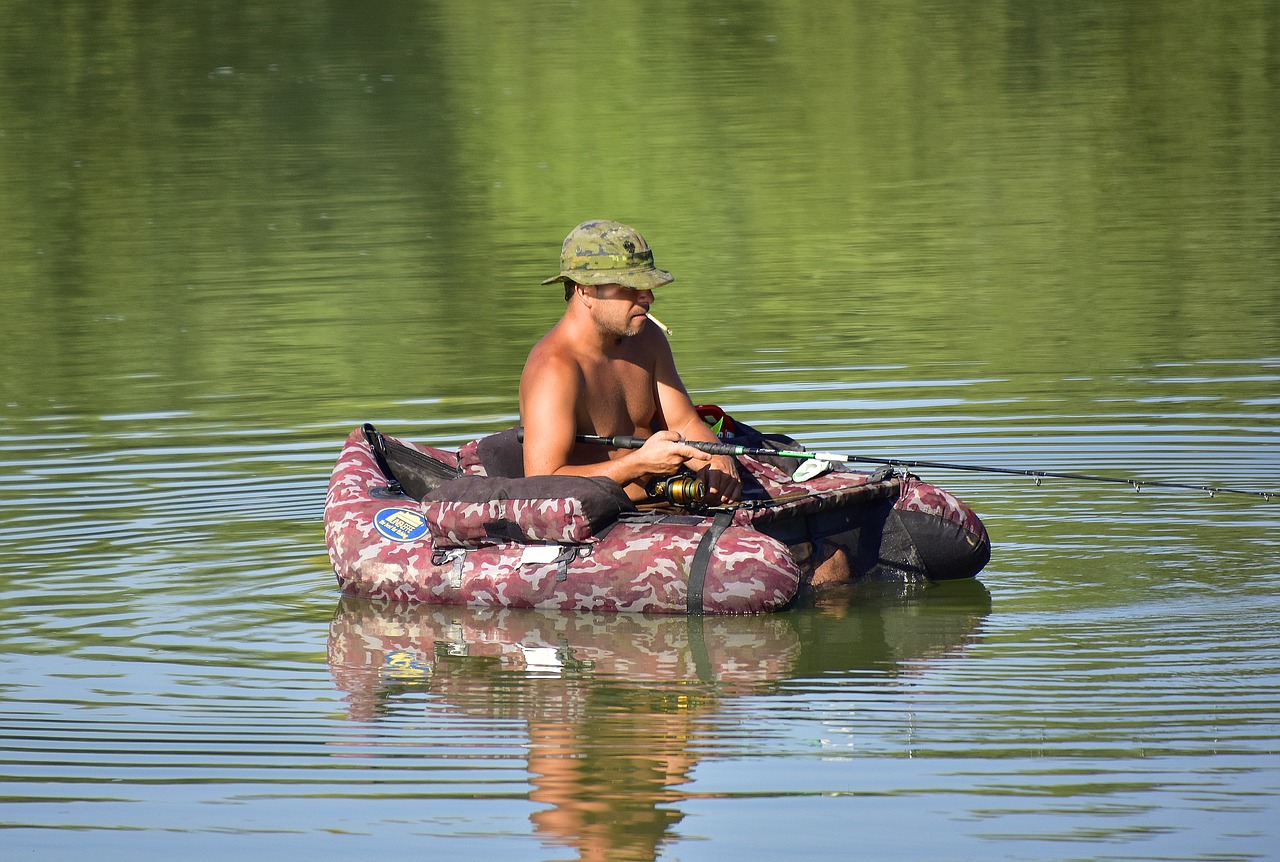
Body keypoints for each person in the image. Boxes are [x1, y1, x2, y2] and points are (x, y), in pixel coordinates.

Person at [519, 220, 741, 504]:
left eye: (648, 286)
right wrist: (639, 464)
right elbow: (541, 484)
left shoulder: (648, 338)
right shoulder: (553, 370)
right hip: (600, 523)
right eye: (632, 286)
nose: (648, 297)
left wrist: (716, 462)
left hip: (669, 503)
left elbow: (684, 422)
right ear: (585, 290)